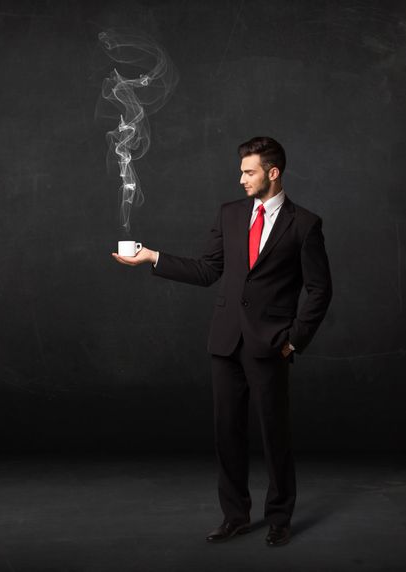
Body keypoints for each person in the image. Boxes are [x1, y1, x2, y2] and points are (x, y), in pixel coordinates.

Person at [112, 136, 332, 547]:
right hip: (226, 342)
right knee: (226, 433)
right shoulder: (230, 214)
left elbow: (319, 290)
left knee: (274, 436)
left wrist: (294, 340)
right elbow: (207, 270)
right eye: (241, 171)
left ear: (273, 172)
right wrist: (152, 257)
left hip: (271, 344)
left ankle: (279, 518)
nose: (241, 179)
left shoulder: (305, 224)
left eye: (248, 171)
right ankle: (235, 516)